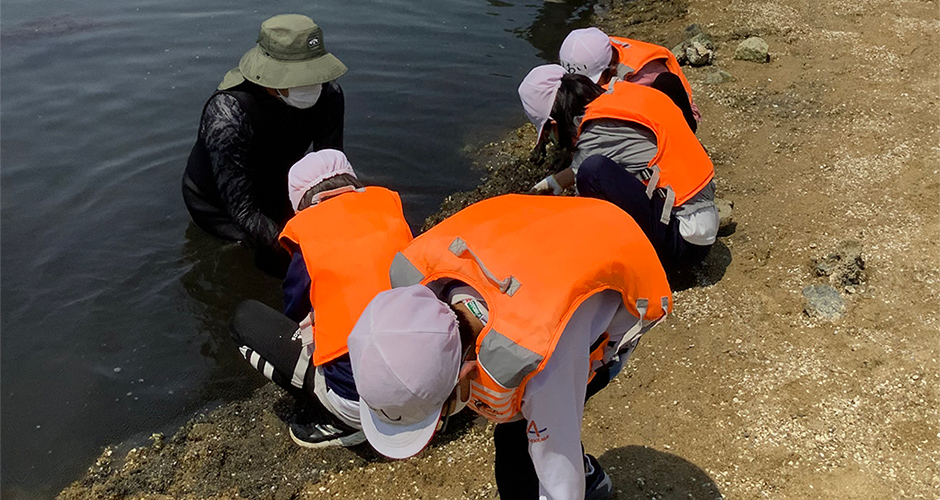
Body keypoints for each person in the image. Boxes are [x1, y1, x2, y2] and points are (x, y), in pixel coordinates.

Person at [346, 194, 673, 500]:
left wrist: (561, 468)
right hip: (539, 234)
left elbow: (559, 477)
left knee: (519, 443)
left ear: (467, 374)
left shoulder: (539, 359)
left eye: (439, 414)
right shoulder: (410, 306)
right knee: (517, 429)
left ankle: (591, 481)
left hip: (613, 254)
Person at [229, 149, 413, 448]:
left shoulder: (309, 234)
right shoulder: (389, 209)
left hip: (362, 400)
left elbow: (294, 308)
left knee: (245, 318)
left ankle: (342, 421)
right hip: (432, 377)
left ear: (300, 204)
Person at [182, 14, 347, 276]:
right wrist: (300, 252)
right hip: (219, 204)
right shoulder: (228, 115)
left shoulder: (330, 96)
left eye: (315, 75)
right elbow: (244, 211)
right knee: (260, 262)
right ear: (269, 80)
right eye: (299, 79)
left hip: (278, 180)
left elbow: (330, 171)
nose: (312, 87)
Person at [519, 64, 718, 270]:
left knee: (593, 172)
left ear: (554, 123)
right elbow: (602, 153)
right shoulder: (620, 95)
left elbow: (585, 184)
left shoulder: (596, 131)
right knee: (597, 169)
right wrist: (555, 182)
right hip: (701, 218)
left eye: (548, 134)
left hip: (683, 246)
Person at [559, 27, 700, 131]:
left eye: (591, 81)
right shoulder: (594, 49)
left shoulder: (643, 76)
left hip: (678, 117)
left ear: (611, 68)